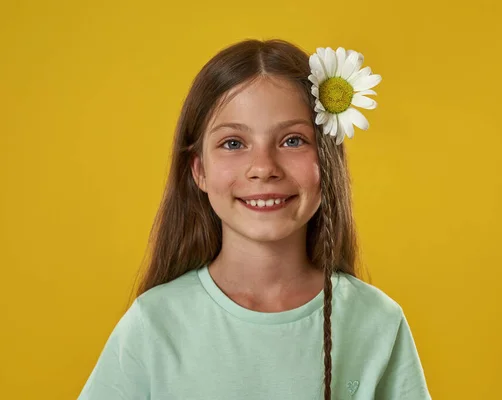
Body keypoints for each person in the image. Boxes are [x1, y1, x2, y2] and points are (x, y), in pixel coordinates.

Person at [77, 38, 432, 400]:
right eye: (233, 143)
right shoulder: (153, 323)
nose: (263, 168)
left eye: (293, 140)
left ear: (328, 163)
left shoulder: (377, 322)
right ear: (199, 170)